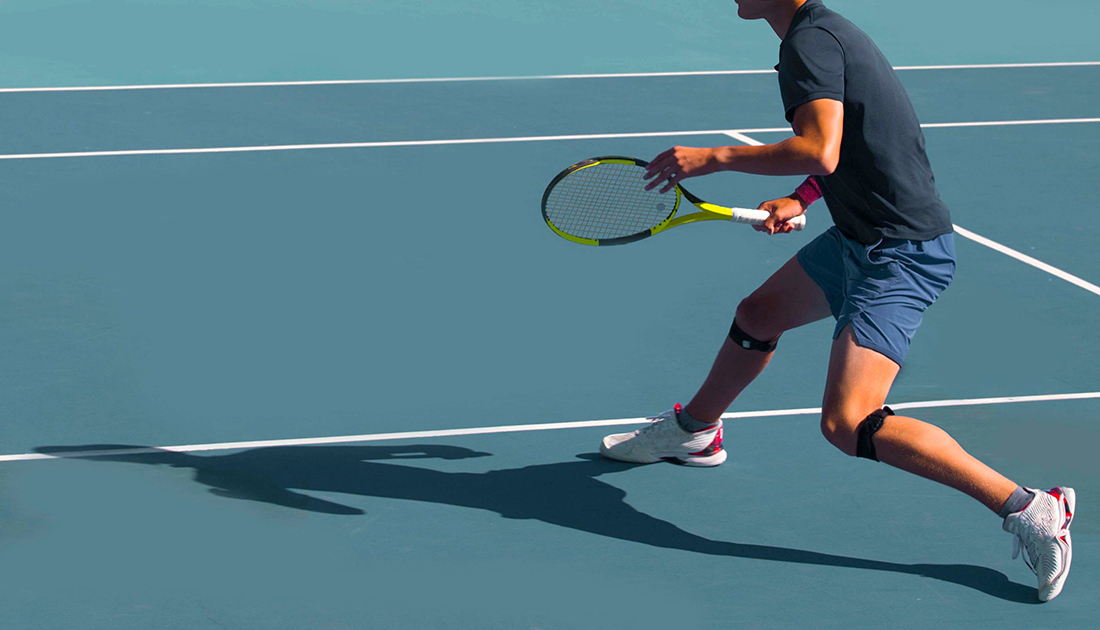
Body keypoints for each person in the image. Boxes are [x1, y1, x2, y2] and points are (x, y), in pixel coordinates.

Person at [598, 0, 1074, 602]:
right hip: (859, 238)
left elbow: (821, 148)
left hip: (899, 255)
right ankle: (695, 431)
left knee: (848, 423)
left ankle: (1032, 508)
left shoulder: (811, 42)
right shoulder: (818, 34)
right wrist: (800, 197)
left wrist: (712, 159)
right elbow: (853, 143)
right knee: (758, 315)